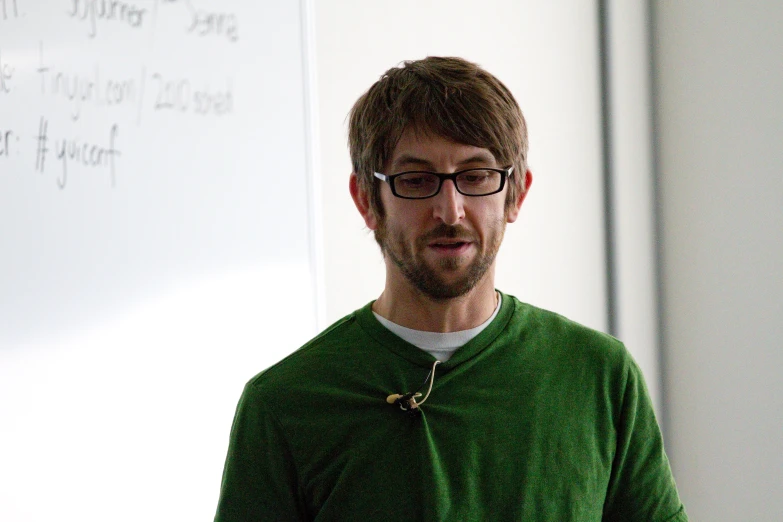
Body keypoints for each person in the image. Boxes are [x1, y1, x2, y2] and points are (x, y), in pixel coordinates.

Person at [214, 56, 687, 521]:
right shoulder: (285, 404)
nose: (450, 210)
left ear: (515, 194)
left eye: (475, 176)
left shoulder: (599, 376)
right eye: (417, 180)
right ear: (366, 201)